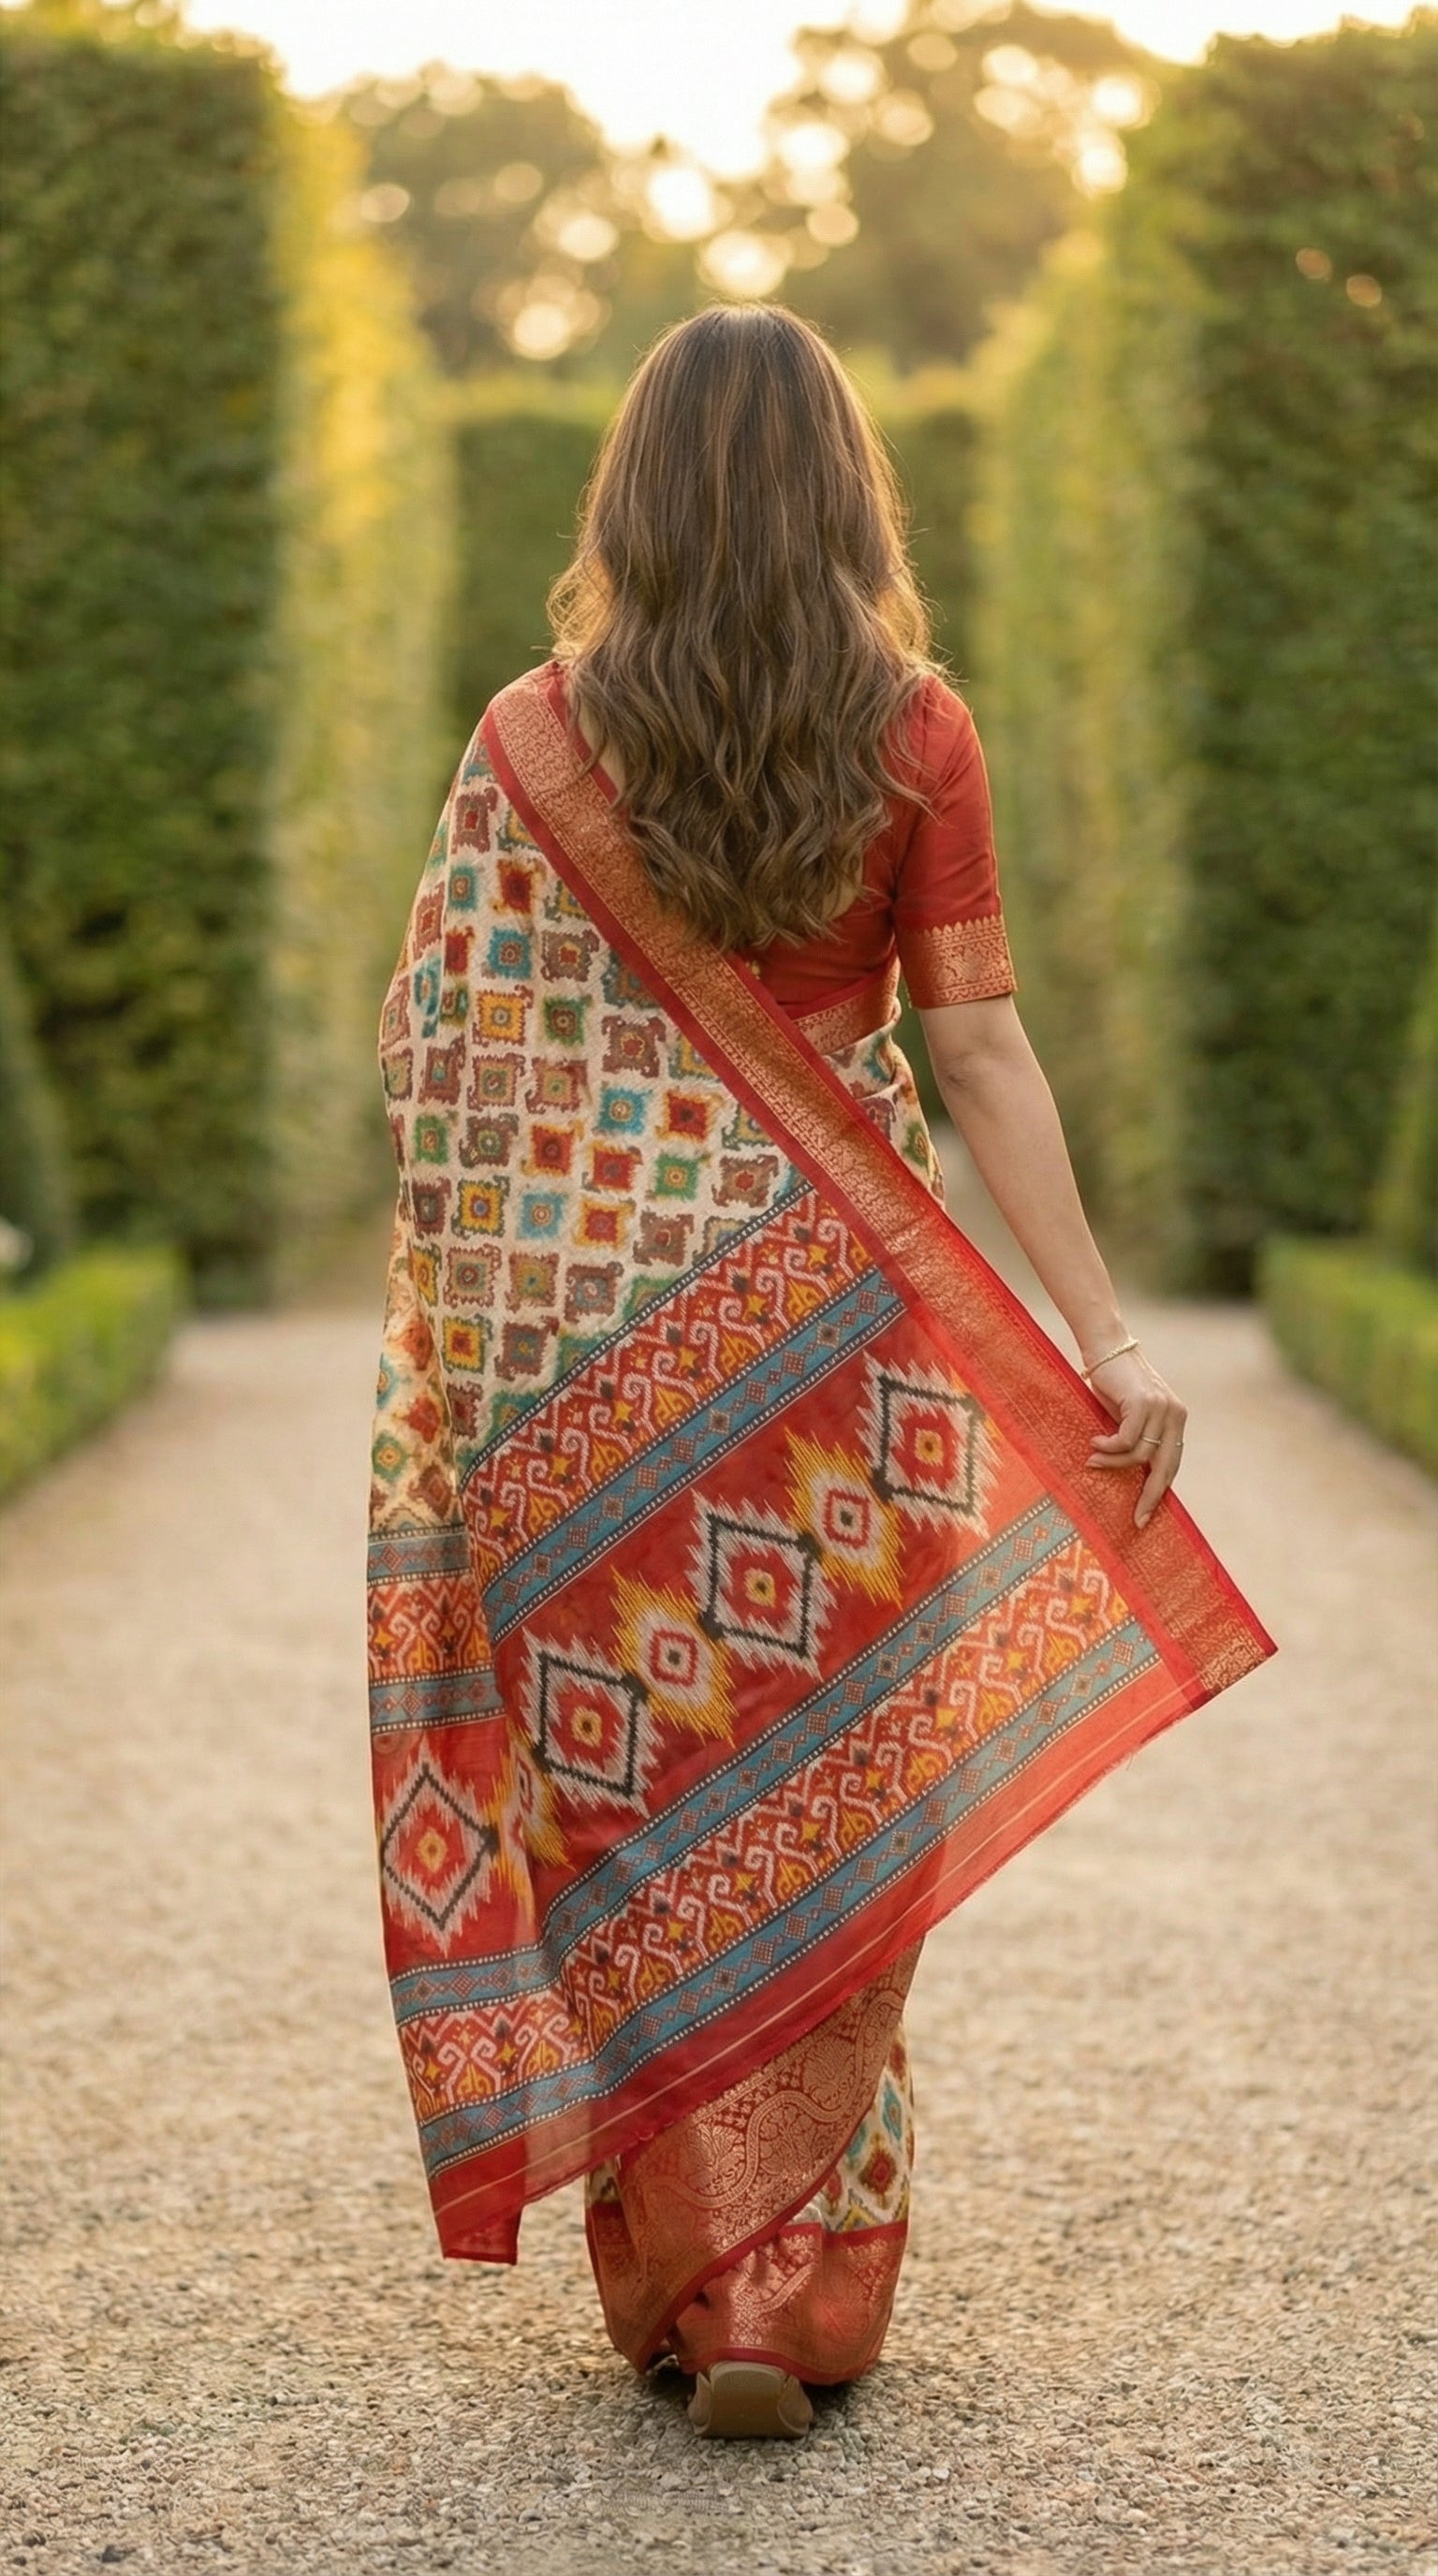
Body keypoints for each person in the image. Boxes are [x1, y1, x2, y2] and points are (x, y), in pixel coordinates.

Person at [367, 305, 1271, 2440]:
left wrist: (521, 1313)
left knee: (641, 1809)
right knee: (840, 1807)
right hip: (846, 1368)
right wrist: (1101, 1331)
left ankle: (697, 2283)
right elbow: (975, 1047)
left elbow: (440, 1062)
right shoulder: (918, 728)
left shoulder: (527, 740)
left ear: (632, 495)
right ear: (853, 488)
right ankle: (798, 2285)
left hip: (586, 1382)